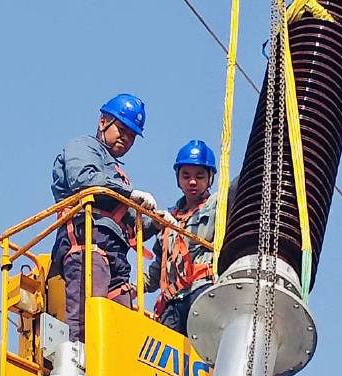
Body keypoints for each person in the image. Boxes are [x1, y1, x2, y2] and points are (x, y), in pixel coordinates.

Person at [51, 93, 158, 342]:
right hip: (87, 240)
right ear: (103, 122)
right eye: (122, 130)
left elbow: (132, 223)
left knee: (120, 320)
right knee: (89, 310)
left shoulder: (116, 173)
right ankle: (79, 355)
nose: (126, 138)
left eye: (131, 135)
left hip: (116, 254)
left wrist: (158, 222)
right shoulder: (83, 147)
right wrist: (129, 193)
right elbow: (83, 179)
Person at [145, 140, 218, 336]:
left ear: (210, 178)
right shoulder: (169, 217)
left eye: (199, 176)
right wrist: (136, 287)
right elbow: (160, 266)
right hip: (172, 302)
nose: (192, 182)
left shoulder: (218, 206)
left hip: (201, 290)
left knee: (203, 347)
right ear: (178, 178)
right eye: (186, 176)